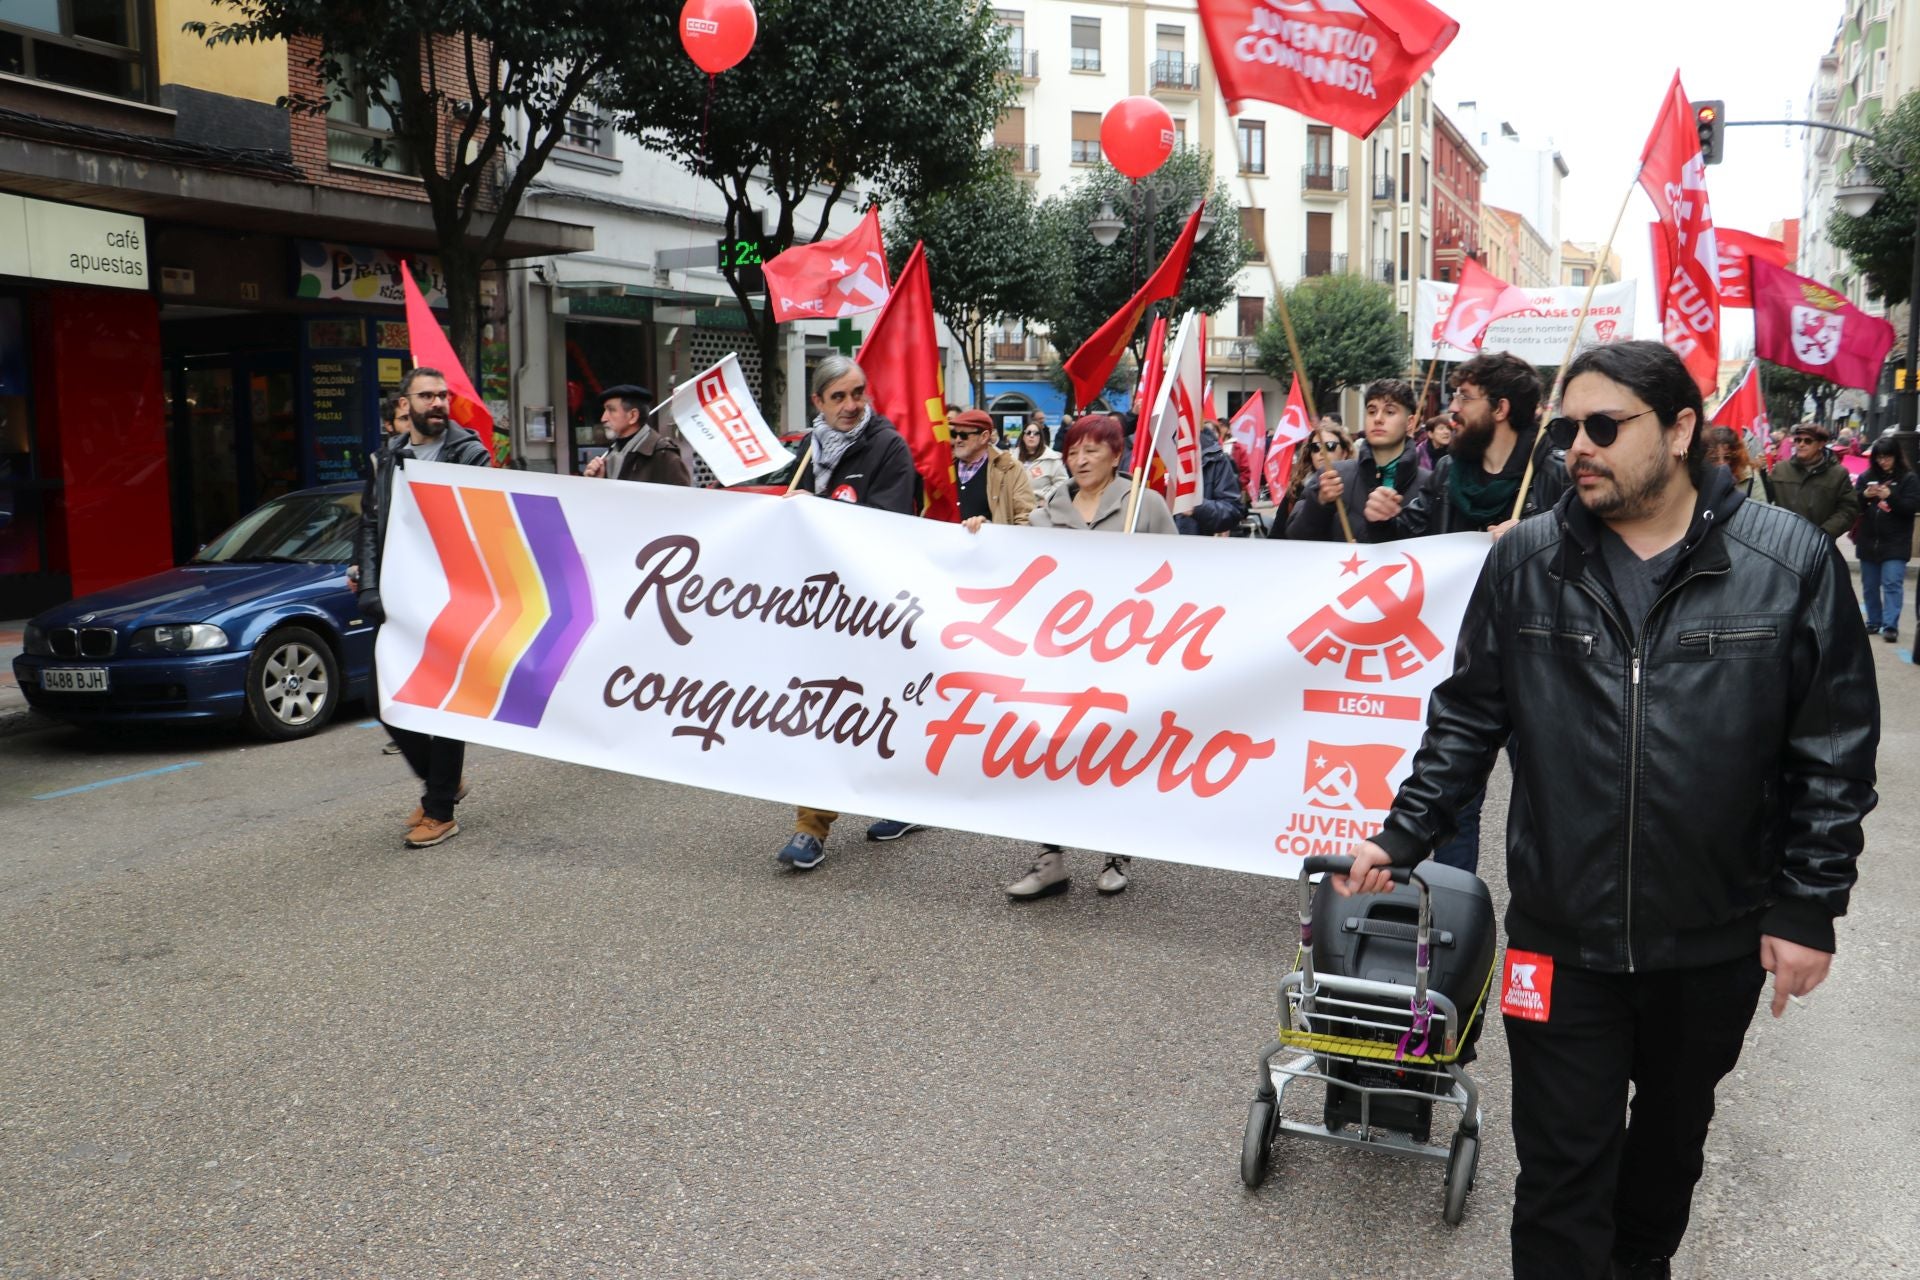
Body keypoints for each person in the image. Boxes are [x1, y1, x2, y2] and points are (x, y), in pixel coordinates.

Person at [1337, 340, 1878, 1280]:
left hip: (1710, 940)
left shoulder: (1785, 561)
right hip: (1559, 937)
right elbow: (1469, 717)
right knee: (1559, 1174)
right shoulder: (1528, 562)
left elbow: (1831, 754)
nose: (1577, 449)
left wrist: (1806, 910)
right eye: (1565, 430)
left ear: (1678, 430)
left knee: (1664, 1164)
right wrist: (1404, 831)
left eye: (1603, 427)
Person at [1394, 352, 1568, 872]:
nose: (1452, 409)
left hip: (1537, 657)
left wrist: (1536, 539)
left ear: (1500, 408)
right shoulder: (1447, 472)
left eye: (1464, 397)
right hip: (1466, 655)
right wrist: (1384, 521)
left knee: (1547, 799)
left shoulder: (1552, 473)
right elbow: (1413, 548)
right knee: (1457, 798)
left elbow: (1590, 550)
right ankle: (1454, 924)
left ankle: (1546, 924)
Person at [1004, 414, 1174, 900]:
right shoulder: (1046, 512)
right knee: (1053, 750)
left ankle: (1115, 853)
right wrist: (978, 533)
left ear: (1117, 456)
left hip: (1126, 653)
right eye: (1074, 450)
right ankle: (1050, 857)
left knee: (1114, 749)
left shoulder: (1146, 506)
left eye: (1092, 450)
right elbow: (1017, 564)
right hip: (1064, 654)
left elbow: (1182, 575)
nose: (1079, 459)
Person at [777, 356, 921, 872]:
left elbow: (887, 523)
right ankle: (821, 824)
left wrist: (816, 511)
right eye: (837, 396)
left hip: (872, 605)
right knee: (830, 708)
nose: (851, 405)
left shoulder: (888, 447)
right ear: (817, 402)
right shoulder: (806, 448)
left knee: (856, 707)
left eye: (857, 393)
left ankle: (819, 824)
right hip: (817, 604)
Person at [355, 367, 496, 849]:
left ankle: (439, 809)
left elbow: (483, 528)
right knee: (383, 699)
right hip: (398, 598)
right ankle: (445, 783)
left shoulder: (470, 454)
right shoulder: (387, 458)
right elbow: (371, 528)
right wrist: (370, 589)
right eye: (427, 395)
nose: (437, 402)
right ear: (406, 403)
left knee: (443, 704)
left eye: (443, 395)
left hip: (451, 597)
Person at [1287, 378, 1428, 543]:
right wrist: (1319, 504)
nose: (1378, 419)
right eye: (1371, 411)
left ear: (1410, 422)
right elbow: (1295, 538)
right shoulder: (1332, 475)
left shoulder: (1429, 485)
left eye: (1389, 412)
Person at [1852, 436, 1920, 642]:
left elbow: (1910, 509)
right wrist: (1864, 495)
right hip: (1869, 540)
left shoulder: (1908, 478)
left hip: (1896, 542)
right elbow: (1854, 507)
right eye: (1880, 457)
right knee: (1870, 585)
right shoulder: (1866, 477)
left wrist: (1889, 496)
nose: (1883, 461)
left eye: (1887, 457)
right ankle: (1873, 621)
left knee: (1892, 583)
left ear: (1896, 456)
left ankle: (1890, 626)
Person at [581, 384, 691, 486]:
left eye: (611, 410)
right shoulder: (610, 455)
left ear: (633, 416)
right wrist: (597, 483)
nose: (603, 418)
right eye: (605, 410)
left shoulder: (663, 455)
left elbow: (682, 502)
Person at [1769, 422, 1860, 542]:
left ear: (1821, 444)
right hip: (1781, 541)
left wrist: (1825, 532)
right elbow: (1764, 500)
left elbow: (1849, 510)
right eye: (1798, 440)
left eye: (1808, 441)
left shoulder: (1838, 474)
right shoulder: (1780, 469)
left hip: (1816, 546)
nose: (1801, 444)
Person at [1265, 421, 1354, 538]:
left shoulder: (1358, 486)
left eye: (1330, 446)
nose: (1322, 452)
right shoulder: (1296, 490)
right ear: (1310, 455)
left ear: (1344, 453)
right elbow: (1277, 537)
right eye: (1316, 447)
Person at [1176, 422, 1251, 536]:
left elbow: (1232, 510)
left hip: (1194, 548)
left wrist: (1196, 506)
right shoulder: (1145, 447)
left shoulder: (1215, 456)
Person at [1700, 426, 1769, 506]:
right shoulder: (1699, 479)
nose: (1722, 463)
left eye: (1727, 457)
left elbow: (1760, 512)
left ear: (1736, 457)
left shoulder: (1750, 477)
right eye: (1714, 458)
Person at [1016, 418, 1068, 502]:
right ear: (1023, 437)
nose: (1031, 436)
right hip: (1016, 507)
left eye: (1036, 433)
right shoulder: (1012, 457)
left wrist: (1047, 498)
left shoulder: (1052, 458)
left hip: (1039, 508)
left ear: (1041, 437)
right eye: (1028, 433)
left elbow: (1062, 481)